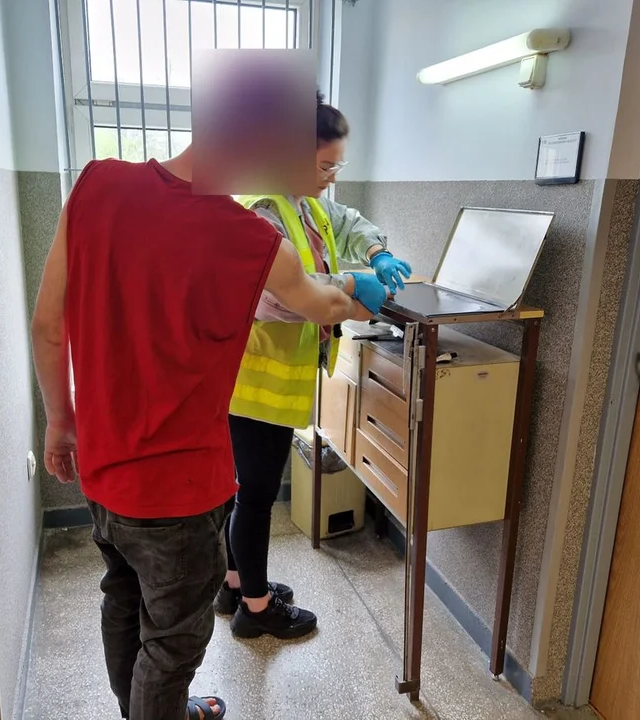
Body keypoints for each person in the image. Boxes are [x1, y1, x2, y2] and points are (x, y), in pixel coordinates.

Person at [30, 141, 389, 719]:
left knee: (124, 598)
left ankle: (149, 710)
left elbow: (48, 326)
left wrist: (60, 424)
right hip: (181, 492)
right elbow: (322, 305)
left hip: (101, 467)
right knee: (171, 646)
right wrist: (355, 290)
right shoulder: (247, 235)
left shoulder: (96, 183)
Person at [215, 92, 414, 640]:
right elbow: (282, 297)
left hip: (268, 381)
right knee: (256, 495)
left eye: (337, 166)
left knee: (247, 490)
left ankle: (235, 584)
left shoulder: (301, 202)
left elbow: (345, 221)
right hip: (256, 381)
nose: (331, 178)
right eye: (325, 166)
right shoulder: (261, 209)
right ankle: (256, 610)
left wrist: (375, 253)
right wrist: (350, 288)